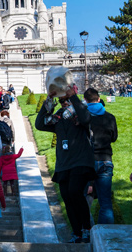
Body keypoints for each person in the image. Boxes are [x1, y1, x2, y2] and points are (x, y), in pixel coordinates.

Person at [35, 87, 95, 244]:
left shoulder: (80, 113)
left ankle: (87, 228)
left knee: (75, 191)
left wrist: (73, 97)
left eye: (65, 100)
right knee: (67, 197)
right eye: (61, 100)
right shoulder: (58, 118)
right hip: (64, 164)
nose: (63, 103)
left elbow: (86, 119)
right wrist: (49, 99)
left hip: (80, 161)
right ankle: (77, 233)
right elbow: (40, 124)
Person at [83, 88, 117, 224]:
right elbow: (114, 138)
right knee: (105, 202)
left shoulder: (84, 117)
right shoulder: (109, 117)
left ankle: (87, 233)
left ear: (85, 100)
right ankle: (107, 236)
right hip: (105, 159)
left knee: (84, 201)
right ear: (99, 99)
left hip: (87, 160)